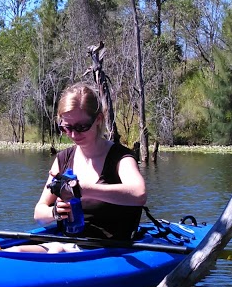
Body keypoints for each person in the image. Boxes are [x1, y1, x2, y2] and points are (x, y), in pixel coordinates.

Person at [9, 83, 147, 253]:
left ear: (98, 120)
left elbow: (139, 195)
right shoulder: (63, 159)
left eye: (81, 127)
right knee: (15, 251)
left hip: (107, 251)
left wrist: (82, 189)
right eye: (67, 127)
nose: (73, 135)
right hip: (65, 245)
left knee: (56, 252)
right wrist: (55, 213)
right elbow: (39, 213)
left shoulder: (121, 158)